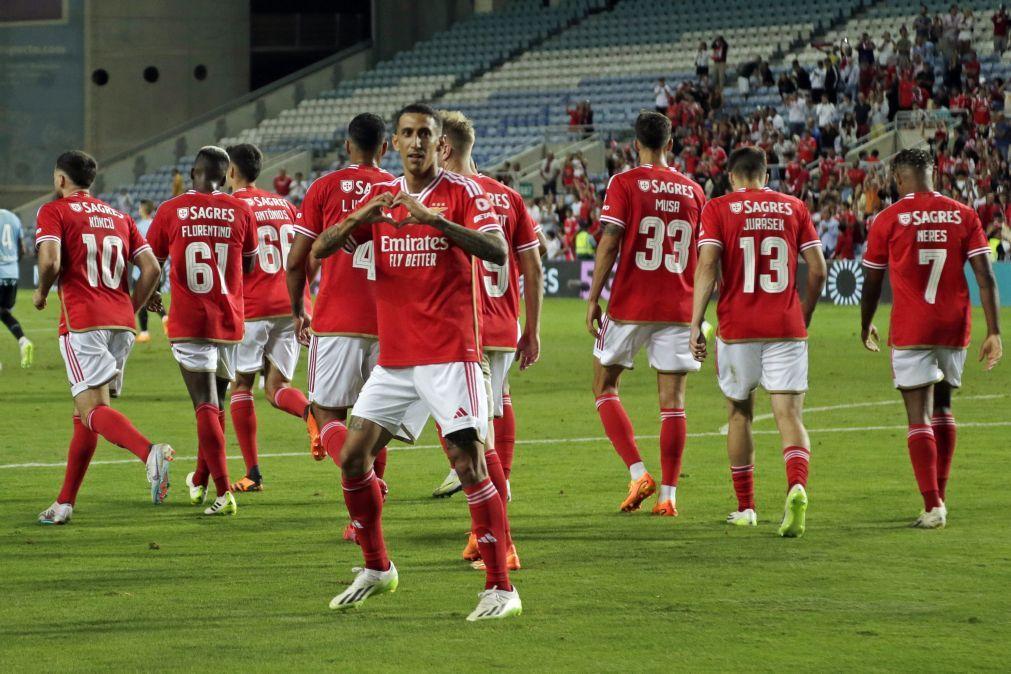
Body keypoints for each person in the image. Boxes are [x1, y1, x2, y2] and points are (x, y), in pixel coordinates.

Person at [308, 103, 518, 621]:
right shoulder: (384, 203)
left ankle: (501, 588)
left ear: (438, 143)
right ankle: (378, 567)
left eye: (426, 134)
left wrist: (435, 221)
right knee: (354, 459)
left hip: (451, 353)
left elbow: (496, 249)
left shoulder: (462, 193)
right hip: (397, 357)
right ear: (395, 145)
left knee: (468, 464)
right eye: (407, 135)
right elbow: (321, 249)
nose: (417, 143)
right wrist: (362, 215)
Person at [860, 148, 1002, 529]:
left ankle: (933, 503)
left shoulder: (887, 219)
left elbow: (873, 279)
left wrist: (866, 322)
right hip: (952, 327)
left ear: (897, 178)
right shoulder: (964, 214)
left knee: (917, 415)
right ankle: (940, 497)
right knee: (943, 407)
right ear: (933, 173)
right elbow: (986, 278)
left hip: (912, 328)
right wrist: (994, 332)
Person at [690, 146, 827, 537]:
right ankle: (797, 486)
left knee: (739, 414)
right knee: (790, 417)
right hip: (785, 325)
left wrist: (695, 322)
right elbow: (817, 269)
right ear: (765, 176)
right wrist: (805, 313)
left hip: (737, 328)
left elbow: (708, 264)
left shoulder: (717, 209)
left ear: (732, 177)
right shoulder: (793, 207)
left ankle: (746, 507)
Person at [34, 150, 173, 525]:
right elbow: (151, 269)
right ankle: (64, 503)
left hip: (82, 322)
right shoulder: (120, 217)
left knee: (93, 410)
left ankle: (150, 453)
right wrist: (132, 306)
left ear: (61, 179)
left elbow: (50, 262)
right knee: (86, 416)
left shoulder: (55, 211)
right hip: (121, 325)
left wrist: (43, 292)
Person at [434, 110, 544, 571]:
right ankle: (484, 527)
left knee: (472, 438)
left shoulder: (444, 201)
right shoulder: (507, 197)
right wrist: (532, 329)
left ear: (444, 148)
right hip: (503, 327)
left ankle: (502, 540)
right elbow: (533, 267)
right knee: (485, 428)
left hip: (467, 333)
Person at [585, 111, 706, 516]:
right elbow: (706, 257)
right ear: (670, 144)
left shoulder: (624, 183)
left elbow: (610, 241)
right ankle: (669, 497)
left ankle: (639, 472)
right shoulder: (693, 190)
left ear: (635, 143)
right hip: (679, 305)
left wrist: (592, 297)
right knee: (673, 403)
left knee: (604, 386)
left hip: (631, 304)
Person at [286, 113, 397, 541]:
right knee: (375, 418)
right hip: (391, 324)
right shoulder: (400, 191)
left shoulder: (324, 188)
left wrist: (299, 308)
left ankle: (366, 485)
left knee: (325, 412)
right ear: (385, 148)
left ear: (347, 146)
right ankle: (364, 520)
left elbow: (297, 261)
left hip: (336, 321)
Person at [146, 146, 259, 516]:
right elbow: (250, 267)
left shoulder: (170, 210)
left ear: (193, 171)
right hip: (228, 322)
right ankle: (199, 479)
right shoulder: (241, 210)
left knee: (205, 405)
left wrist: (150, 297)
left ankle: (224, 493)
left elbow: (152, 265)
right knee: (215, 406)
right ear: (227, 174)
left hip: (191, 321)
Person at [225, 143, 312, 492]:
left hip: (253, 305)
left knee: (241, 386)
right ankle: (312, 414)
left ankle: (253, 473)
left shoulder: (231, 206)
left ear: (231, 171)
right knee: (277, 388)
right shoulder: (284, 204)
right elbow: (306, 254)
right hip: (291, 305)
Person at [0, 207, 33, 366]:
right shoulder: (13, 218)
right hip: (12, 275)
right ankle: (23, 340)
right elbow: (22, 250)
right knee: (4, 313)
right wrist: (11, 265)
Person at [133, 200, 165, 342]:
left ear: (143, 209)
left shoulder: (138, 226)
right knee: (154, 297)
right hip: (157, 268)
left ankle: (144, 332)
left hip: (140, 270)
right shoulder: (156, 225)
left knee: (141, 300)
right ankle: (165, 316)